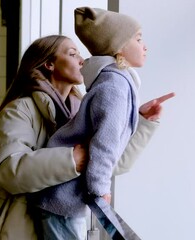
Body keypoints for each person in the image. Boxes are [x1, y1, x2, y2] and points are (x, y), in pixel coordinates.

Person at [0, 34, 172, 240]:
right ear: (49, 64)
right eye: (73, 54)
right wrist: (73, 159)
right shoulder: (20, 110)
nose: (82, 60)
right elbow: (8, 171)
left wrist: (143, 121)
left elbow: (111, 163)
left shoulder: (77, 114)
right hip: (9, 231)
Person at [29, 7, 175, 240]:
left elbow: (110, 141)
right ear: (118, 47)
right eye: (138, 39)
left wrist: (143, 118)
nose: (144, 46)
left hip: (64, 197)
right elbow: (104, 144)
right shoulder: (114, 86)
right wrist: (100, 189)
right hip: (62, 200)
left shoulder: (116, 82)